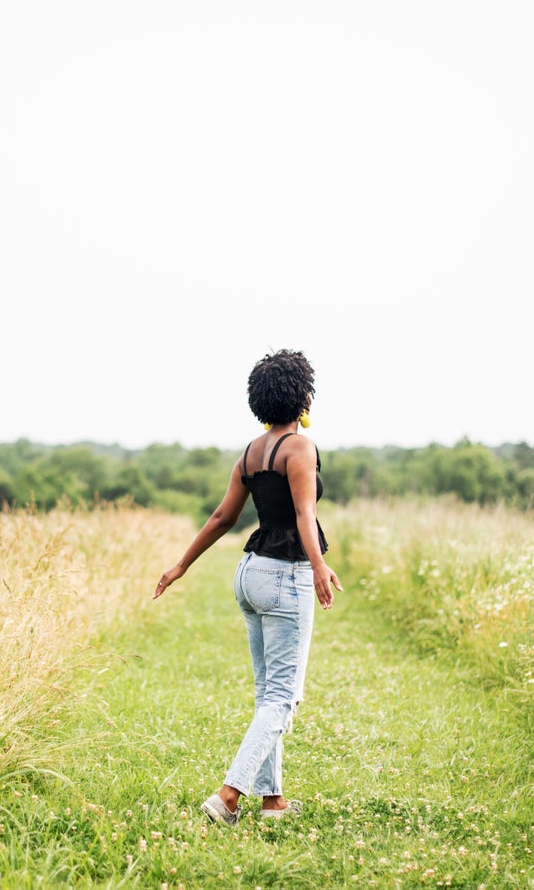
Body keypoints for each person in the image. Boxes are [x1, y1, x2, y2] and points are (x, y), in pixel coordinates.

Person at [153, 349, 342, 825]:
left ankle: (272, 800)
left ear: (259, 400)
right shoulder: (300, 447)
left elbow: (223, 518)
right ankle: (227, 796)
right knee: (283, 697)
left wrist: (181, 566)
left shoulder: (250, 453)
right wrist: (319, 566)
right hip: (285, 575)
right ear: (302, 395)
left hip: (250, 573)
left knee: (267, 695)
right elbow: (305, 514)